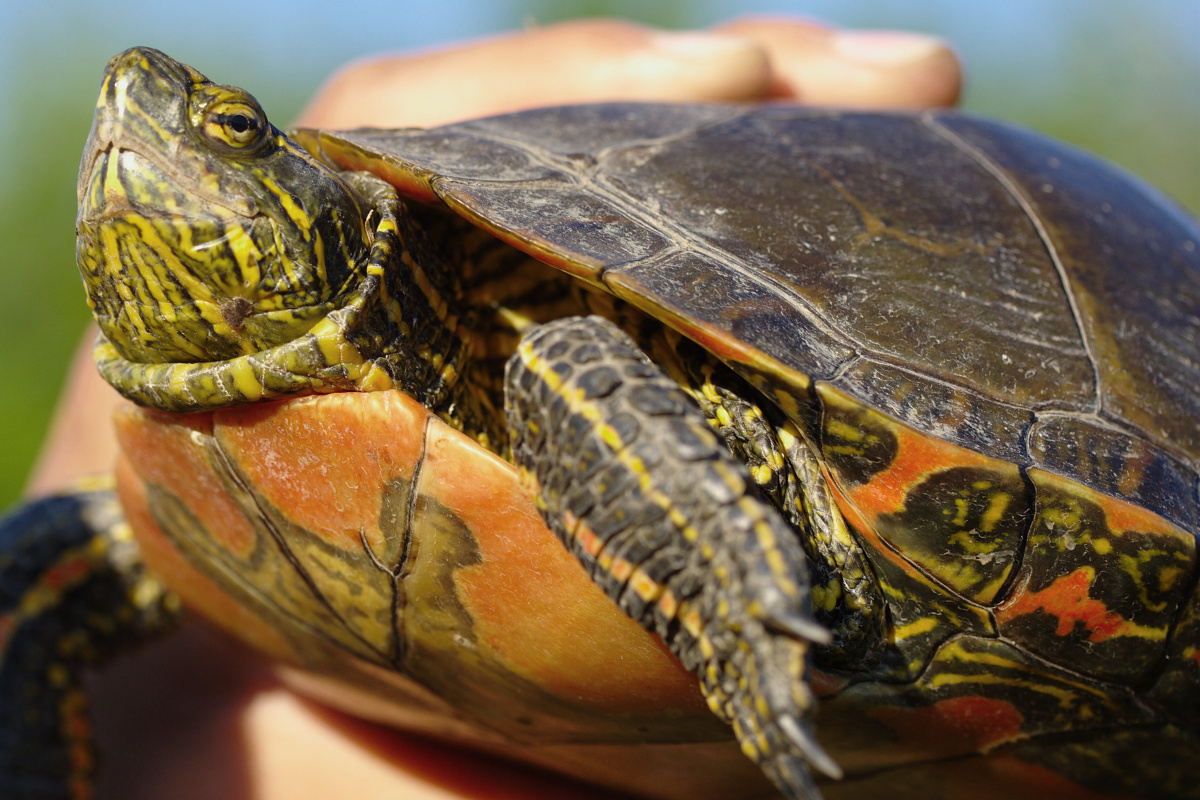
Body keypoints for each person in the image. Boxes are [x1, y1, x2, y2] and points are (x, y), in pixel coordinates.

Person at [31, 17, 962, 799]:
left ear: (352, 227)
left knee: (570, 368)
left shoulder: (526, 346)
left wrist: (720, 589)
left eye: (228, 128)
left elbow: (581, 361)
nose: (123, 120)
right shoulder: (128, 515)